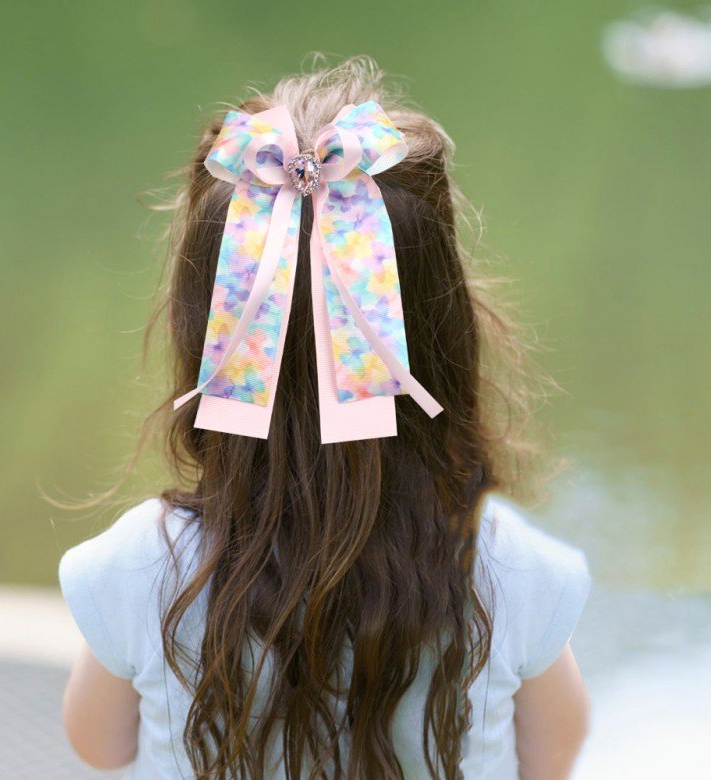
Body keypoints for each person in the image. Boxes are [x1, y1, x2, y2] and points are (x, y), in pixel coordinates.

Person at [59, 56, 592, 779]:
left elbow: (99, 745)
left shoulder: (138, 568)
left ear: (202, 333)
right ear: (442, 332)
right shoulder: (511, 570)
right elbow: (552, 755)